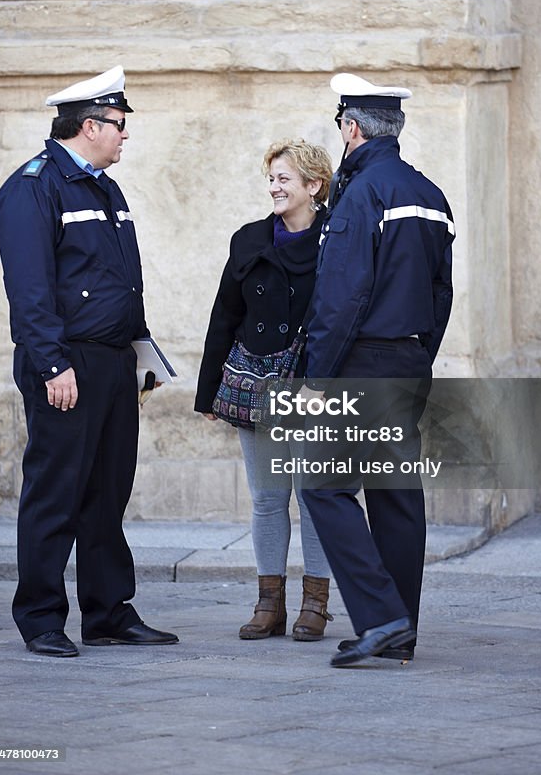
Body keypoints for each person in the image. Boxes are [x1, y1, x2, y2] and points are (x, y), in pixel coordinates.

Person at [0, 66, 178, 657]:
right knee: (56, 491)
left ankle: (108, 612)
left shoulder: (105, 187)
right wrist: (51, 365)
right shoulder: (33, 186)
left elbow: (121, 282)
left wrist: (140, 355)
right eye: (120, 125)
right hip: (65, 362)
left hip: (113, 363)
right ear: (90, 125)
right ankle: (42, 618)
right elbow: (29, 288)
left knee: (107, 492)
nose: (126, 136)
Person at [300, 73, 455, 667]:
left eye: (341, 126)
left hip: (359, 363)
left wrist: (317, 374)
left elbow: (342, 296)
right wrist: (421, 354)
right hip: (409, 360)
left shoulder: (362, 193)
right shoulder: (430, 194)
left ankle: (381, 616)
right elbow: (442, 292)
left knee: (321, 487)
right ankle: (401, 632)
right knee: (395, 495)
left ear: (351, 127)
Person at [195, 138, 334, 642]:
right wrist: (208, 390)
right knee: (267, 497)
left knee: (316, 495)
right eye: (271, 178)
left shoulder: (338, 239)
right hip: (256, 382)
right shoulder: (249, 239)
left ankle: (315, 603)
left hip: (315, 386)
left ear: (314, 186)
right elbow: (225, 315)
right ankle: (269, 603)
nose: (274, 186)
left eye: (285, 179)